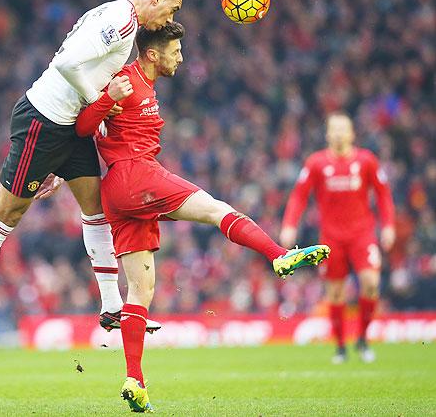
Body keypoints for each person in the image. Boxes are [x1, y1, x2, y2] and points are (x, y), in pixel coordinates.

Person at [75, 22, 330, 412]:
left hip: (118, 191)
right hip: (136, 173)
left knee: (140, 291)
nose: (181, 56)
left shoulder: (143, 81)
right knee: (217, 210)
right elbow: (83, 126)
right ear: (153, 54)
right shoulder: (124, 79)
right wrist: (107, 98)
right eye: (175, 50)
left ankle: (134, 379)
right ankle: (278, 254)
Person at [0, 0, 185, 341]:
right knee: (9, 211)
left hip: (68, 125)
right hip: (42, 121)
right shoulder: (120, 21)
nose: (169, 22)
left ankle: (111, 306)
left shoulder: (117, 16)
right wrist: (98, 99)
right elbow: (66, 65)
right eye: (170, 11)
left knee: (96, 208)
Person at [280, 113, 395, 364]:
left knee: (371, 282)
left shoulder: (367, 161)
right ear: (328, 134)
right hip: (331, 237)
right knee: (335, 292)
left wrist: (388, 226)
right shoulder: (316, 163)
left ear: (352, 133)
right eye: (335, 129)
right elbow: (299, 195)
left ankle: (363, 340)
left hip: (362, 234)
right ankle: (341, 346)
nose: (340, 133)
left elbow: (383, 194)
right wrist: (289, 225)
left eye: (344, 129)